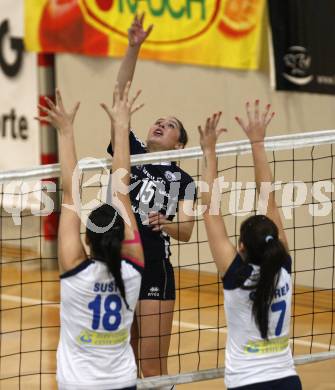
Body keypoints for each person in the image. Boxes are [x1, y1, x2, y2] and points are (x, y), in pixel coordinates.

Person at [104, 14, 196, 378]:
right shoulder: (132, 151)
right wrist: (133, 47)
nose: (160, 124)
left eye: (170, 124)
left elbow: (187, 231)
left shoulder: (185, 180)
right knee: (123, 360)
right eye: (158, 120)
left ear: (180, 143)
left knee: (153, 366)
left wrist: (167, 225)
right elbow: (119, 96)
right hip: (119, 262)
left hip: (155, 268)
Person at [36, 83, 144, 390]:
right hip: (122, 382)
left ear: (87, 239)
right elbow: (122, 193)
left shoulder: (75, 269)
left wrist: (66, 131)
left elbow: (72, 192)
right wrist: (121, 127)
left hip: (78, 384)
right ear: (125, 236)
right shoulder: (134, 270)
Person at [198, 101, 302, 390]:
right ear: (274, 241)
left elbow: (210, 210)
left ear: (240, 246)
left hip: (247, 383)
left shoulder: (237, 276)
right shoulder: (283, 266)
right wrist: (257, 142)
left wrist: (209, 151)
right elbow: (268, 198)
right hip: (288, 381)